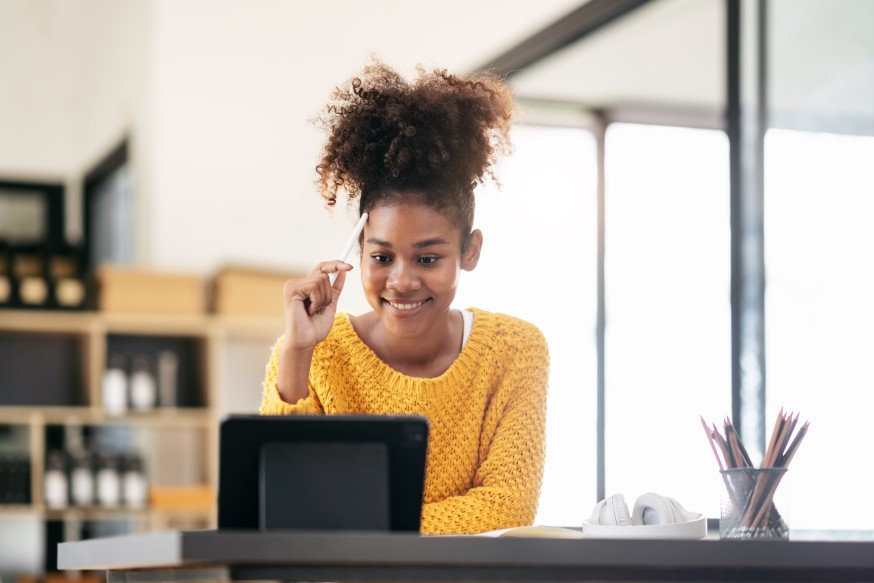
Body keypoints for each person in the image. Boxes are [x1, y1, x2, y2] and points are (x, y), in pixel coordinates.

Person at [260, 59, 549, 535]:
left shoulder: (516, 350)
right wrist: (297, 350)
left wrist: (358, 523)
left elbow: (508, 508)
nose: (402, 281)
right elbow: (282, 510)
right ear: (358, 252)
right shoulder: (315, 353)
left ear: (469, 251)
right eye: (382, 257)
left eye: (428, 259)